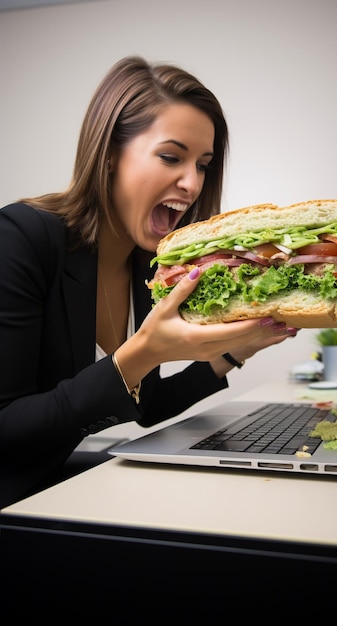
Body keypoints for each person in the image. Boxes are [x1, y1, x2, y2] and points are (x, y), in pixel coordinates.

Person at [0, 56, 298, 508]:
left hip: (51, 488)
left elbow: (145, 406)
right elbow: (7, 426)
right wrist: (145, 352)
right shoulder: (21, 236)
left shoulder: (149, 266)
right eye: (170, 157)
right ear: (109, 155)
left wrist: (235, 351)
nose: (192, 183)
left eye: (203, 164)